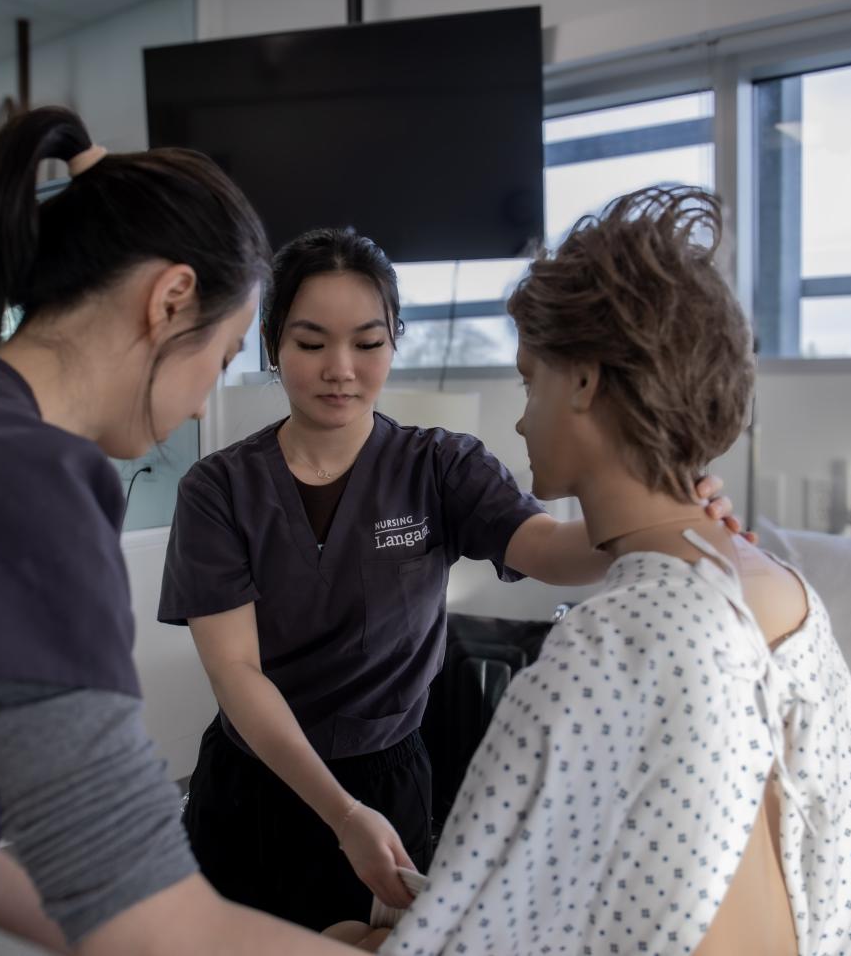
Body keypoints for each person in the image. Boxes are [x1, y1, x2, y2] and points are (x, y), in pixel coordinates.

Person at [157, 226, 741, 930]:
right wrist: (340, 813)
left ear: (396, 340)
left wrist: (667, 517)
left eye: (368, 343)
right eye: (311, 343)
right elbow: (237, 675)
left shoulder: (439, 466)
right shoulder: (217, 490)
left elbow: (551, 548)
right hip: (254, 783)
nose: (340, 367)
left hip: (387, 783)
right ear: (275, 344)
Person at [0, 106, 360, 956]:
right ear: (170, 298)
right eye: (215, 365)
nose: (199, 407)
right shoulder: (23, 484)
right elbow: (147, 926)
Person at [369, 186, 851, 955]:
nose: (518, 416)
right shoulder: (784, 589)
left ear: (582, 381)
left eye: (526, 380)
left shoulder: (610, 651)